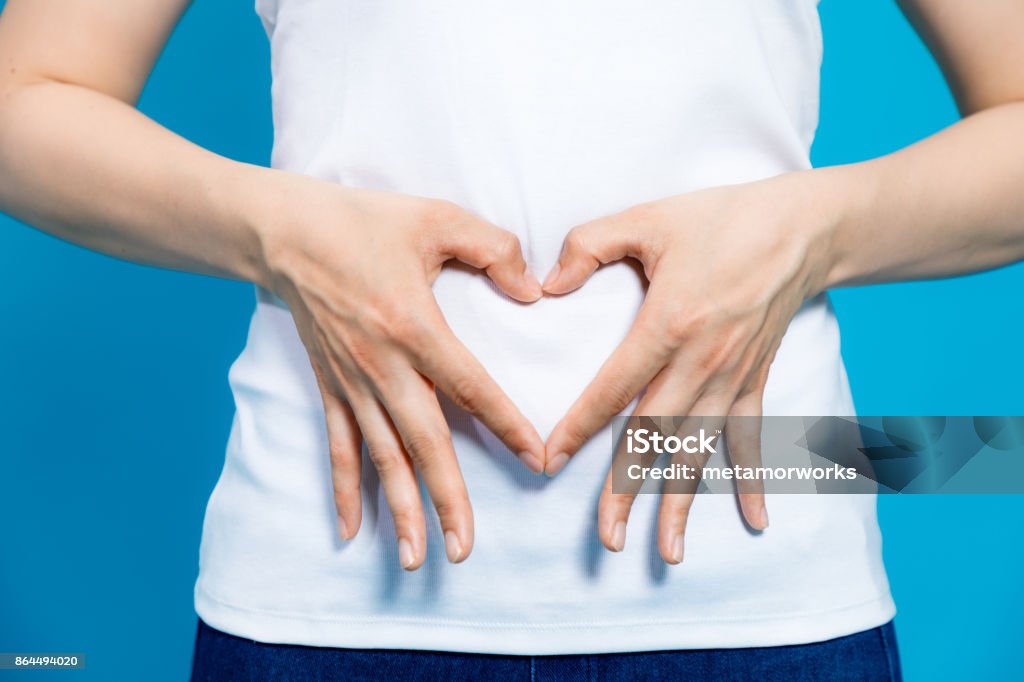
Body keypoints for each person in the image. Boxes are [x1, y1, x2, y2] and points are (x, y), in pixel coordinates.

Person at [1, 0, 1022, 679]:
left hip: (759, 592)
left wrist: (816, 229)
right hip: (332, 594)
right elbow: (25, 99)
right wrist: (281, 232)